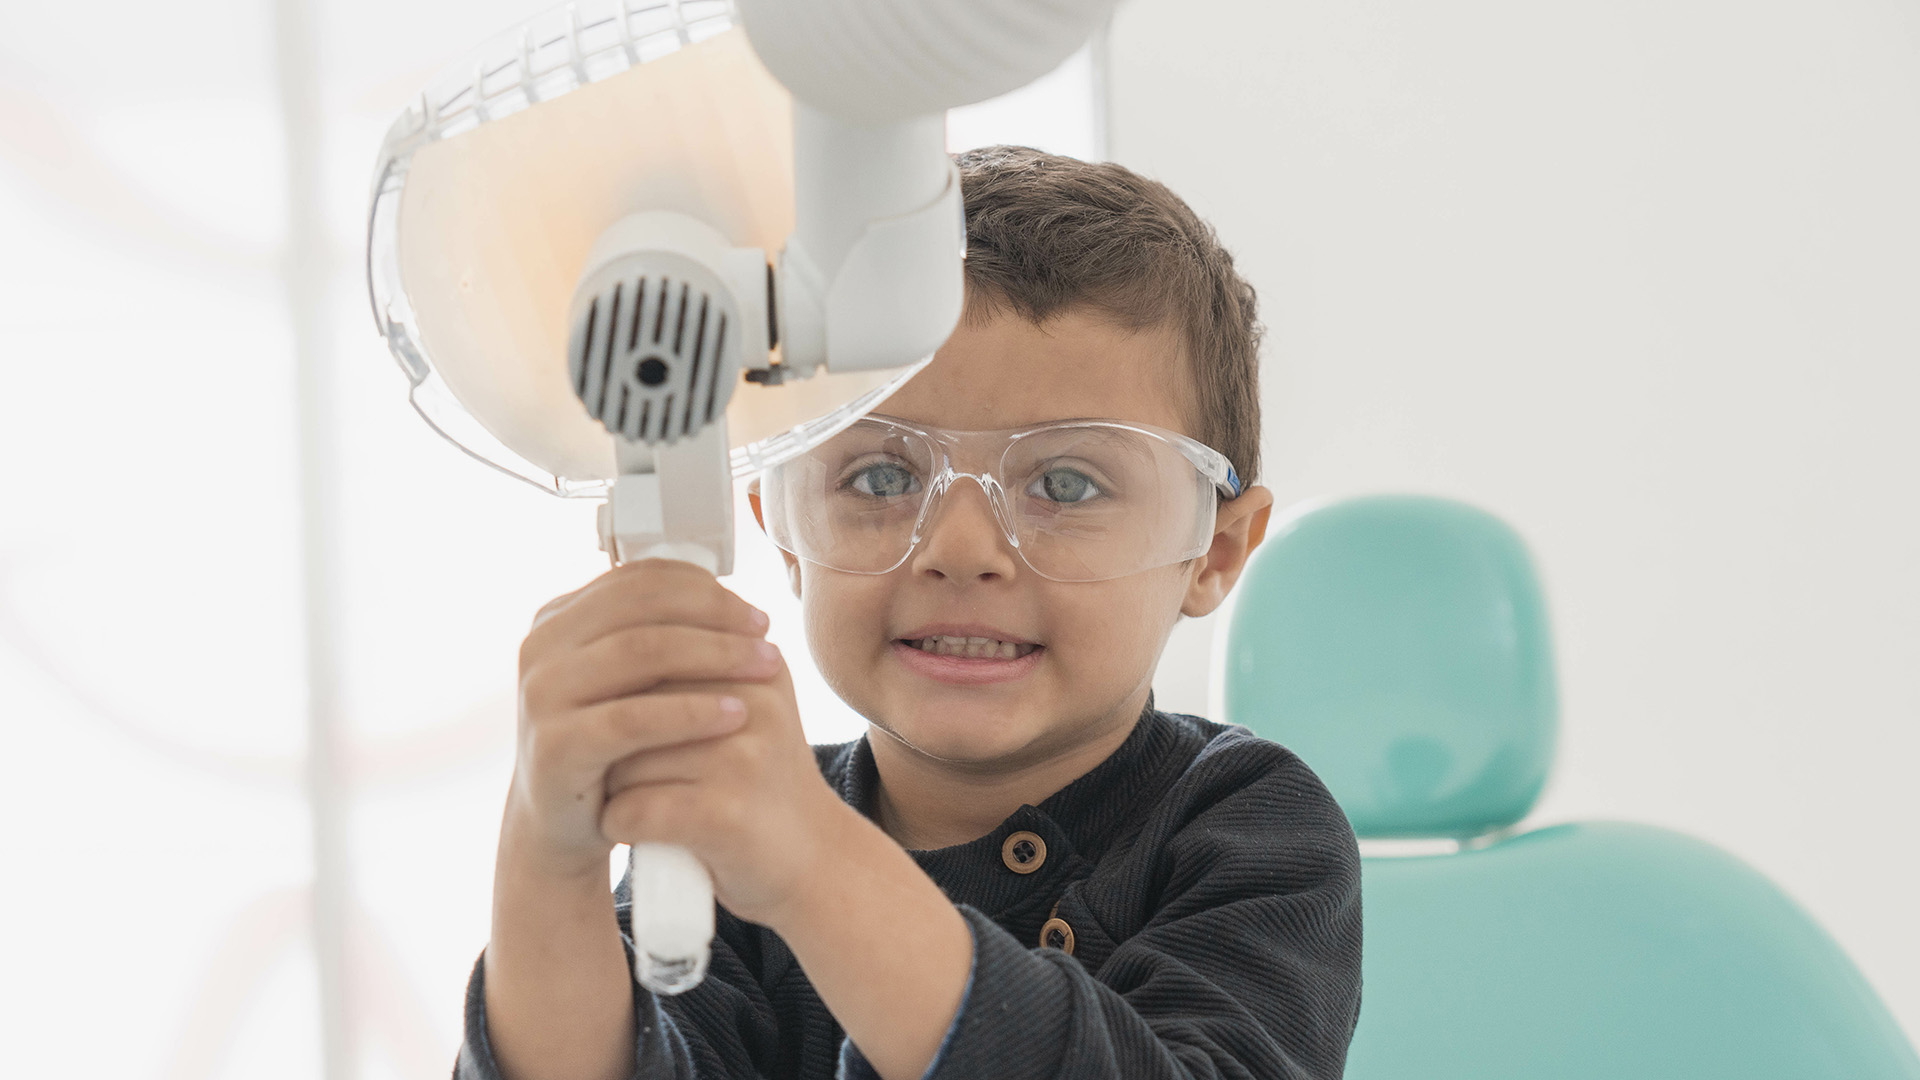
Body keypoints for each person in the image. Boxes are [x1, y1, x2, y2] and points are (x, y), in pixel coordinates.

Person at [460, 145, 1363, 1080]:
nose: (961, 550)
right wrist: (548, 843)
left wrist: (813, 865)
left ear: (1211, 551)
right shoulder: (721, 841)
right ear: (782, 527)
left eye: (1066, 481)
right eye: (881, 476)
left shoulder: (1250, 829)